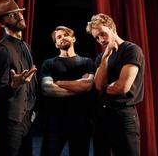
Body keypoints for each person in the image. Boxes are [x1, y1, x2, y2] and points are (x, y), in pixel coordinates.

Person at [86, 13, 145, 156]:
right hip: (102, 117)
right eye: (97, 37)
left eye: (103, 34)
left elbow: (122, 87)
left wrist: (109, 85)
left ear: (113, 28)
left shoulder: (131, 50)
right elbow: (99, 86)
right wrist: (105, 57)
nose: (101, 39)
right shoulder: (101, 57)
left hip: (123, 116)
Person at [0, 0, 38, 156]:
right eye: (12, 15)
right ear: (2, 23)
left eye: (19, 12)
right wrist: (13, 86)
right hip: (9, 123)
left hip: (27, 119)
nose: (19, 16)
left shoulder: (26, 45)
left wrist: (32, 113)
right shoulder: (1, 50)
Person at [40, 26, 95, 156]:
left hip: (81, 122)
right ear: (56, 44)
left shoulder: (87, 62)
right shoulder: (49, 63)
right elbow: (47, 89)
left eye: (65, 34)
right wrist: (79, 87)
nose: (62, 38)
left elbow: (88, 85)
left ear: (73, 38)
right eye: (58, 37)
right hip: (55, 122)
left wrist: (59, 83)